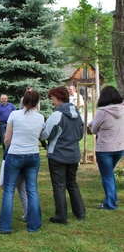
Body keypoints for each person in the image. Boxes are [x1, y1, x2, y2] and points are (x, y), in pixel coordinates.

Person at [0, 90, 44, 233]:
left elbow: (7, 138)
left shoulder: (14, 115)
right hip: (33, 156)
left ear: (23, 101)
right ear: (37, 102)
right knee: (32, 190)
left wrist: (9, 150)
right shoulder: (41, 118)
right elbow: (38, 136)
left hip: (15, 154)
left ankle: (4, 227)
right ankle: (34, 225)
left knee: (9, 190)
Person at [40, 86, 85, 224]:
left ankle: (61, 216)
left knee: (59, 186)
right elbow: (80, 134)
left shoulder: (57, 115)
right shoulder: (77, 114)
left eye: (53, 99)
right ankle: (80, 212)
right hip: (73, 154)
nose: (52, 102)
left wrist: (42, 138)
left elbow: (46, 133)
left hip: (58, 155)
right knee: (72, 183)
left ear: (59, 98)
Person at [90, 86, 124, 210]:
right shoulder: (122, 109)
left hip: (104, 148)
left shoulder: (102, 112)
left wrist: (91, 125)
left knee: (107, 176)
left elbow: (94, 129)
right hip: (119, 147)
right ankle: (113, 198)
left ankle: (110, 203)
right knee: (109, 174)